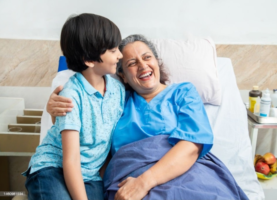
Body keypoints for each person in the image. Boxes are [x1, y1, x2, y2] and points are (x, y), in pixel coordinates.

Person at [47, 35, 248, 200]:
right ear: (123, 76)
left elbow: (192, 145)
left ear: (157, 62)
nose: (143, 66)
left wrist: (144, 182)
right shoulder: (115, 101)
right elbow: (83, 132)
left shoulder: (183, 92)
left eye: (147, 57)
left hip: (187, 174)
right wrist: (55, 111)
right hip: (127, 180)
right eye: (132, 63)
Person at [22, 13, 124, 200]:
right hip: (53, 168)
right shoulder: (71, 95)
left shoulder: (118, 90)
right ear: (89, 60)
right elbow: (70, 161)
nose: (120, 54)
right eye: (113, 50)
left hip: (90, 175)